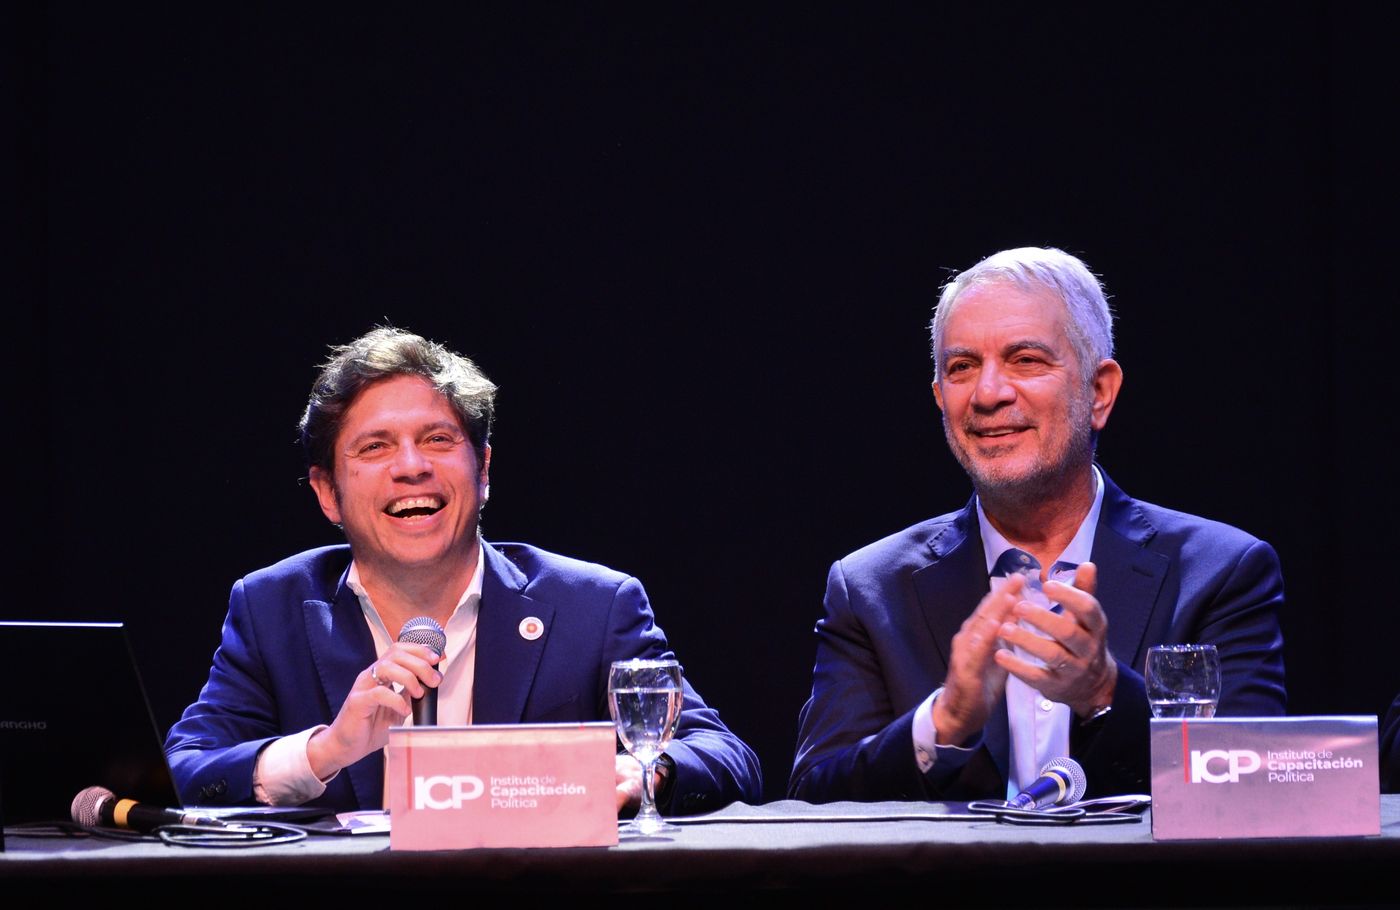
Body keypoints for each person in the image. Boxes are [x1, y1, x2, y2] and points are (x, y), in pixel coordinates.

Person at [166, 327, 761, 815]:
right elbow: (183, 770)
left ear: (482, 470)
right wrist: (325, 750)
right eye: (374, 447)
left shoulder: (593, 607)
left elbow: (724, 755)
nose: (411, 467)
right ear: (327, 493)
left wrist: (639, 772)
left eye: (438, 439)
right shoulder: (273, 609)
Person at [789, 247, 1286, 802]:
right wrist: (944, 721)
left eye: (1026, 360)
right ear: (939, 399)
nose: (988, 394)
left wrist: (1103, 691)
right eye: (962, 367)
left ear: (1099, 393)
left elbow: (1253, 790)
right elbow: (813, 800)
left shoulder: (1221, 573)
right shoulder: (869, 589)